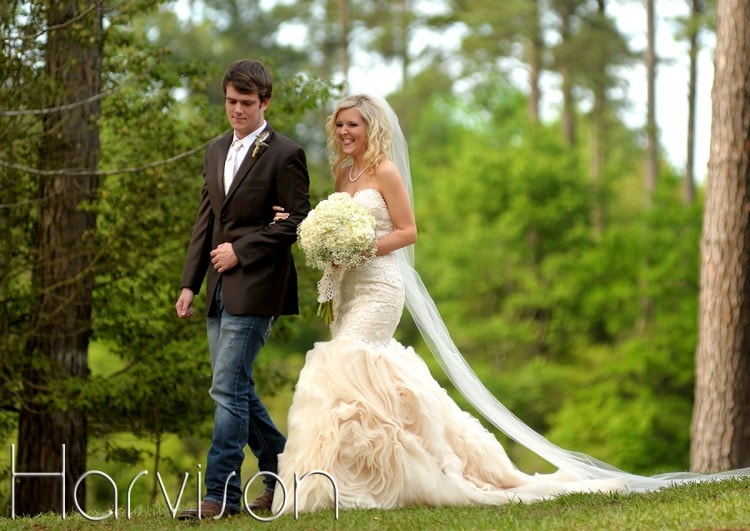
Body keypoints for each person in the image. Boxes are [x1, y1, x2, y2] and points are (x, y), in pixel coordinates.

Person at [270, 93, 750, 515]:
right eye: (339, 124)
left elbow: (408, 231)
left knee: (348, 364)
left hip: (380, 287)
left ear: (371, 127)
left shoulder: (385, 170)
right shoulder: (342, 172)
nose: (345, 131)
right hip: (349, 286)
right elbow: (338, 224)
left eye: (353, 124)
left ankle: (384, 476)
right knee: (354, 376)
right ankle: (352, 477)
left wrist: (362, 248)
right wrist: (327, 244)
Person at [174, 59, 310, 519]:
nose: (237, 110)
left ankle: (222, 496)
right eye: (231, 101)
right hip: (216, 288)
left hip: (259, 285)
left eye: (246, 103)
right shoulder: (214, 150)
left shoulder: (285, 153)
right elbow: (204, 221)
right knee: (233, 388)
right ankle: (280, 465)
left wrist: (242, 249)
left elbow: (296, 222)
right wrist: (189, 283)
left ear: (265, 102)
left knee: (226, 390)